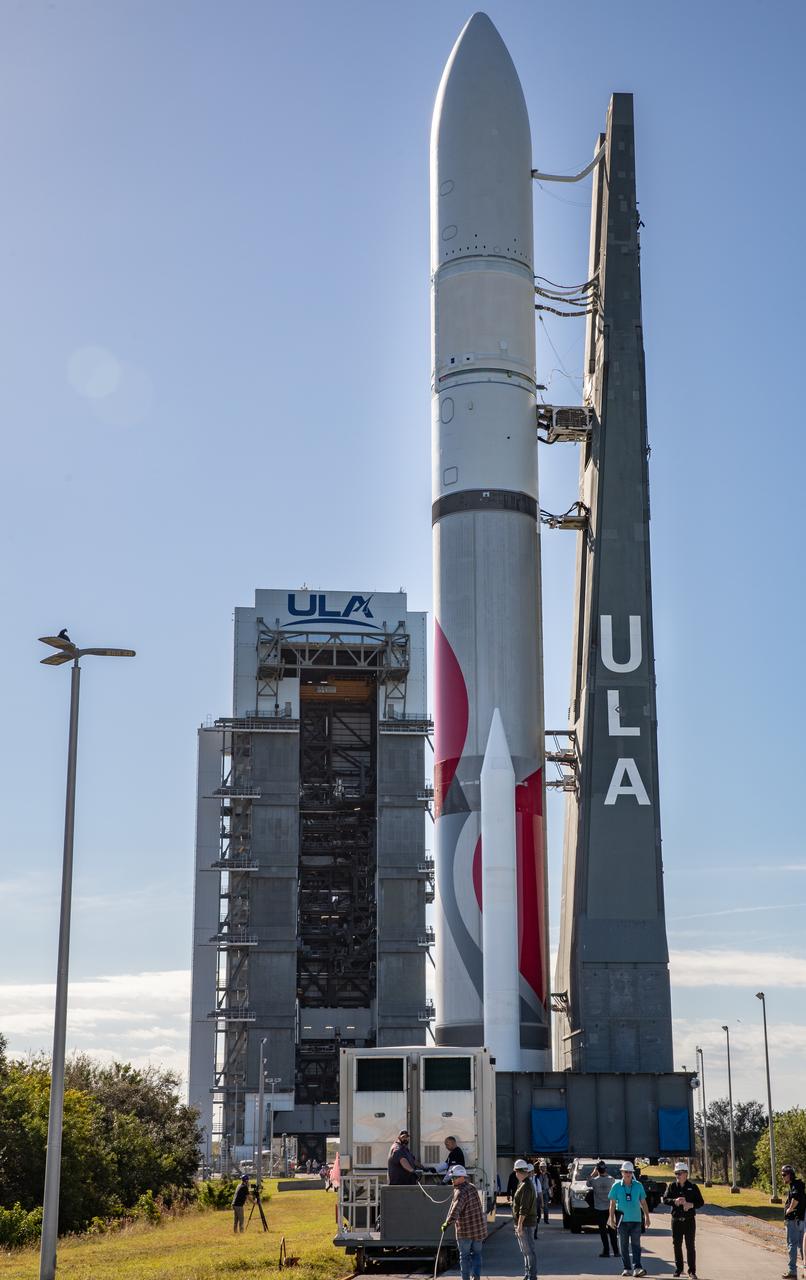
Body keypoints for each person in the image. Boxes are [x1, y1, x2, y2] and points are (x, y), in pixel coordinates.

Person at [441, 1166, 487, 1280]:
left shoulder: (460, 1192)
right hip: (478, 1230)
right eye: (452, 1177)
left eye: (455, 1177)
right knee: (477, 1255)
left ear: (462, 1177)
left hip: (465, 1232)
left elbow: (455, 1211)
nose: (452, 1180)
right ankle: (476, 1278)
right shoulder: (472, 1187)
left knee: (464, 1257)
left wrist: (447, 1223)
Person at [608, 1160, 650, 1278]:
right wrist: (611, 1219)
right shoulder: (616, 1186)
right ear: (622, 1172)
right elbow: (612, 1204)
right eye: (626, 1172)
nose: (628, 1174)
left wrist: (647, 1217)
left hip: (636, 1220)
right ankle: (627, 1268)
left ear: (632, 1173)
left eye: (630, 1172)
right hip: (622, 1221)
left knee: (636, 1245)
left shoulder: (638, 1185)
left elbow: (643, 1202)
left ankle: (637, 1267)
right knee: (624, 1245)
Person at [663, 1161, 704, 1278]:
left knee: (690, 1246)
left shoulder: (693, 1187)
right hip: (676, 1220)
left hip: (689, 1220)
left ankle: (692, 1271)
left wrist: (691, 1205)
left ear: (686, 1174)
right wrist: (674, 1201)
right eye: (676, 1173)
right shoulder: (671, 1186)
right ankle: (679, 1269)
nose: (677, 1176)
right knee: (677, 1245)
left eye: (680, 1173)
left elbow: (700, 1202)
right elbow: (665, 1199)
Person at [512, 1160, 538, 1280]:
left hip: (526, 1224)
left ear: (519, 1172)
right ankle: (528, 1274)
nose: (515, 1174)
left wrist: (520, 1225)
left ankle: (531, 1276)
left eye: (516, 1171)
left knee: (529, 1251)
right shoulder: (524, 1184)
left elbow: (524, 1208)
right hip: (525, 1223)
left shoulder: (526, 1186)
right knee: (526, 1252)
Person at [587, 1159, 618, 1258]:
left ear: (597, 1170)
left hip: (599, 1209)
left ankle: (606, 1251)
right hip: (610, 1209)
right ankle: (616, 1251)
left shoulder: (594, 1181)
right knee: (612, 1231)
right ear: (605, 1169)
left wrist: (594, 1172)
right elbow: (609, 1177)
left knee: (603, 1232)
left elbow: (588, 1183)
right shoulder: (611, 1179)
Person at [782, 1163, 806, 1279]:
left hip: (794, 1220)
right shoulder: (797, 1185)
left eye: (784, 1175)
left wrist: (789, 1210)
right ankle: (805, 1270)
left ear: (790, 1175)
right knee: (802, 1246)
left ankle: (792, 1272)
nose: (782, 1177)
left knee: (792, 1245)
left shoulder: (796, 1185)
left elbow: (795, 1198)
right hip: (799, 1220)